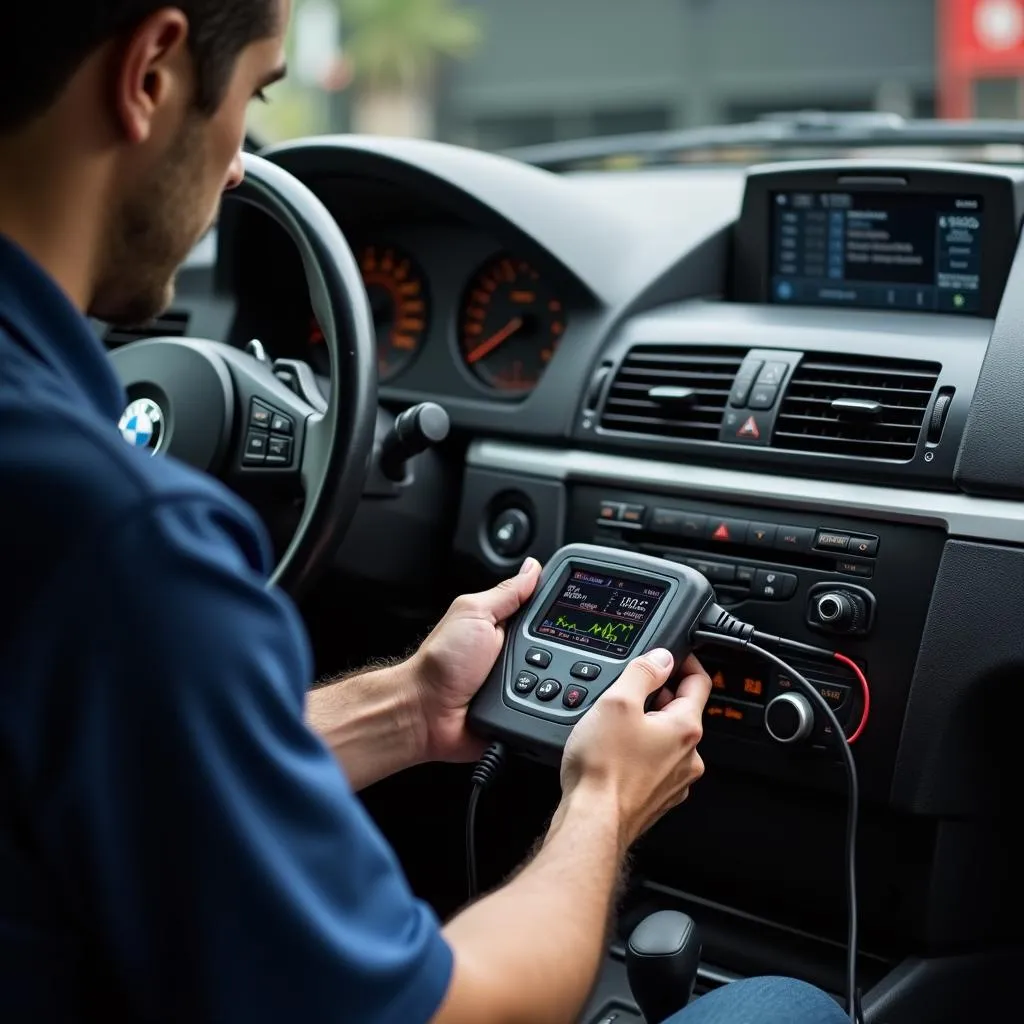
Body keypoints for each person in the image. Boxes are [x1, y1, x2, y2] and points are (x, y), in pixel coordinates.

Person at [0, 3, 849, 1023]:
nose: (237, 167)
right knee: (781, 1007)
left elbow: (140, 769)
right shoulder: (120, 539)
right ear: (150, 74)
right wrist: (602, 804)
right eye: (257, 93)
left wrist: (404, 708)